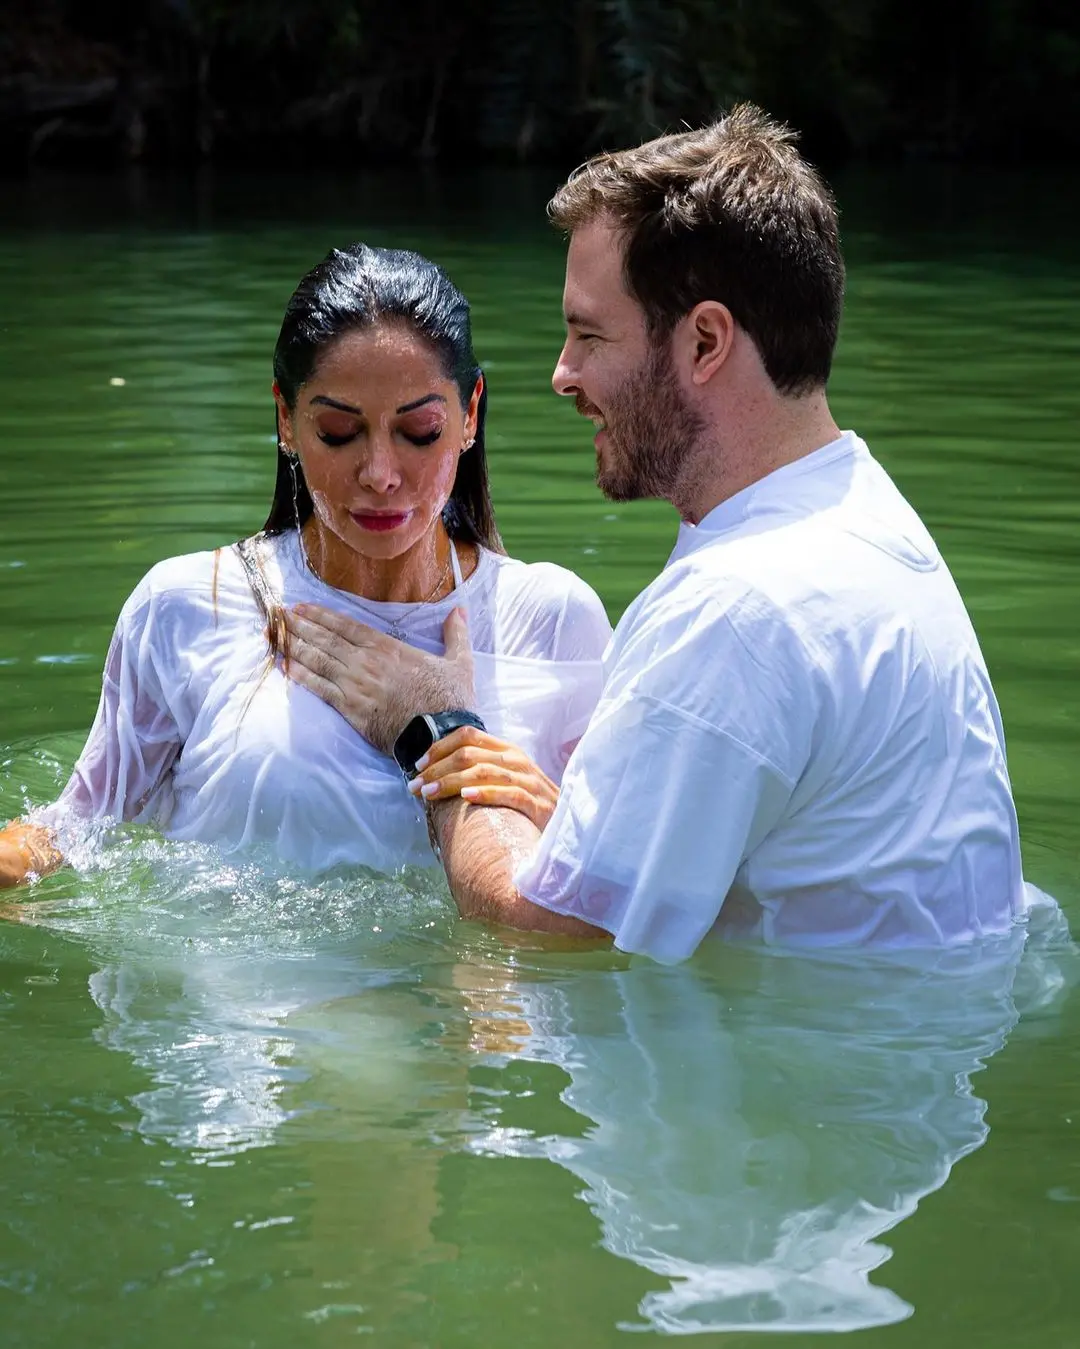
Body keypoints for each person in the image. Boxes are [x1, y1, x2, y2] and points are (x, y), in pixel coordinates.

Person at [280, 105, 1026, 961]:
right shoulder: (864, 519)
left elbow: (551, 932)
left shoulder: (735, 610)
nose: (562, 374)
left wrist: (438, 728)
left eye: (591, 335)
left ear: (705, 340)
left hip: (792, 1088)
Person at [0, 244, 611, 888]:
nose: (380, 474)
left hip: (476, 991)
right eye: (340, 433)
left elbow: (609, 878)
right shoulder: (185, 606)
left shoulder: (549, 619)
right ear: (286, 420)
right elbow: (74, 831)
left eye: (420, 431)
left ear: (470, 415)